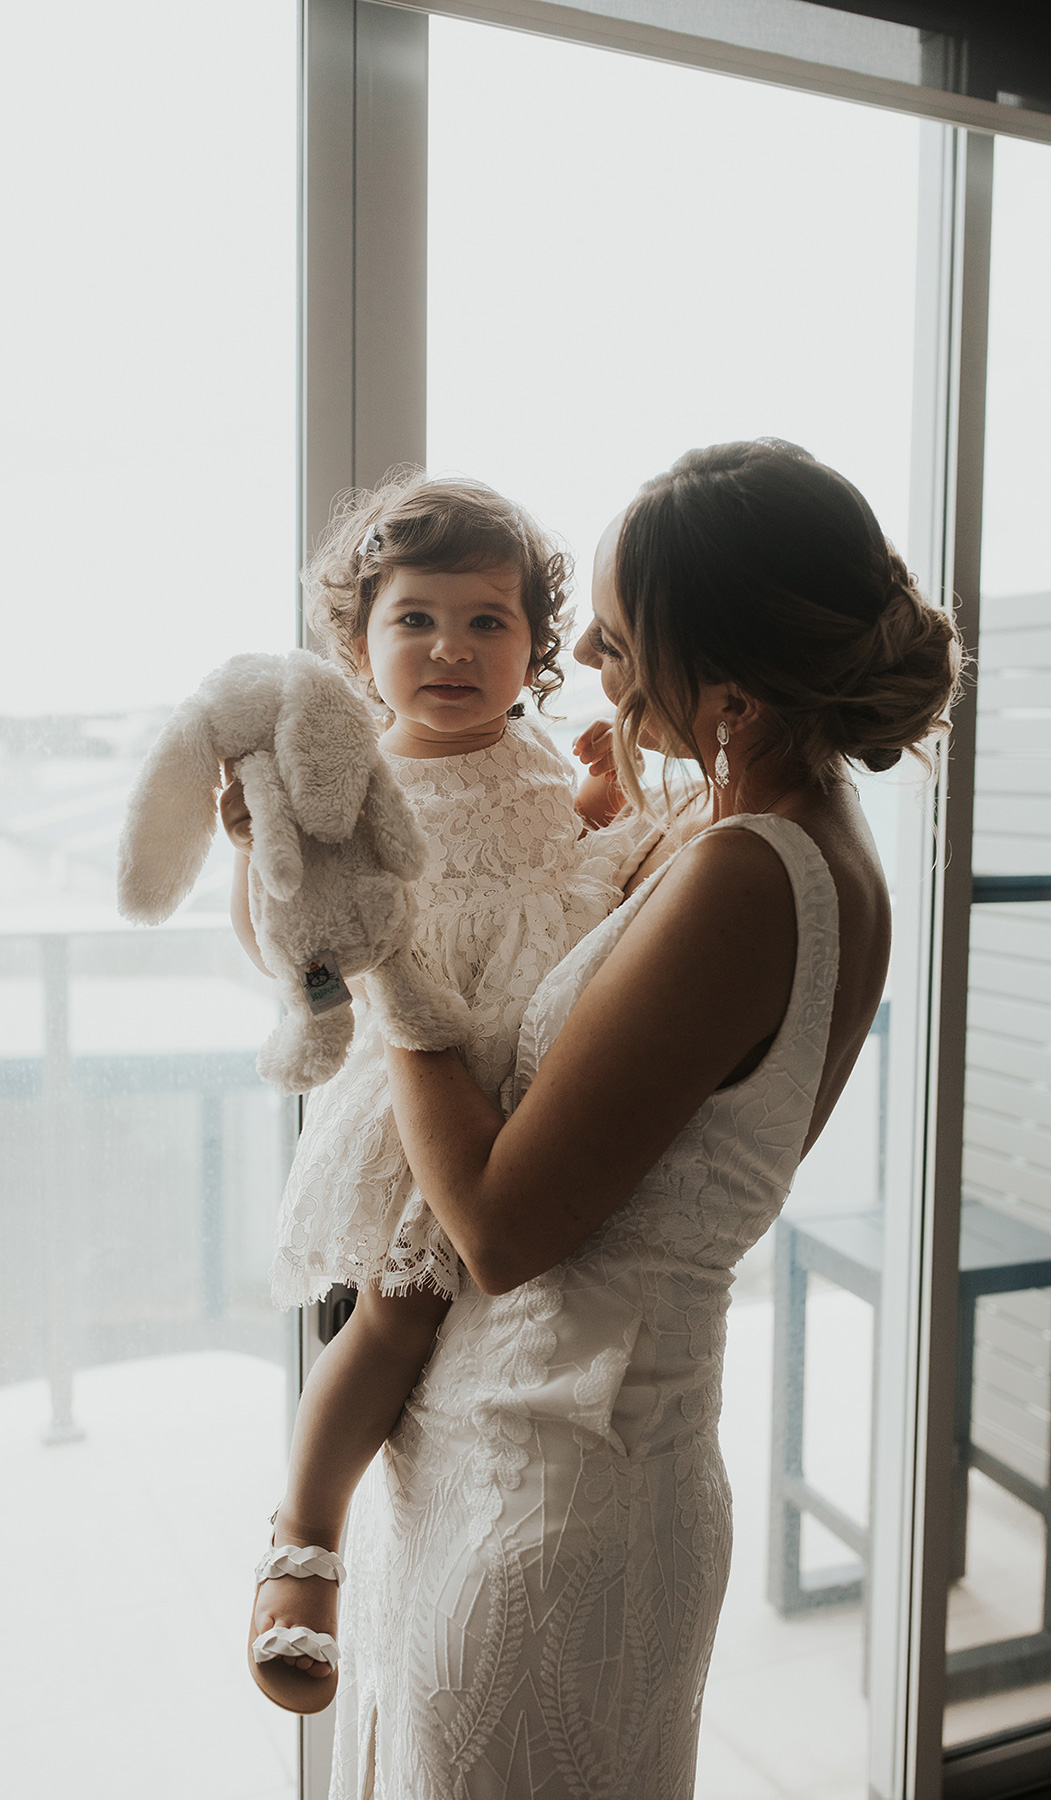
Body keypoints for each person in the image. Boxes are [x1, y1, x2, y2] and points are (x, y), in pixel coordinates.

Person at [327, 438, 962, 1797]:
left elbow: (497, 1229)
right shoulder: (793, 847)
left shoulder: (745, 879)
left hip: (551, 1489)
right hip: (581, 1455)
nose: (597, 675)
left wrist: (384, 958)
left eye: (618, 648)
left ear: (723, 671)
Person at [222, 472, 644, 1712]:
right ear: (359, 644)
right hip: (421, 1098)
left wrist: (601, 808)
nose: (451, 649)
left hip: (532, 1082)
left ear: (534, 651)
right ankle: (303, 1542)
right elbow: (293, 942)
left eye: (487, 621)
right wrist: (257, 856)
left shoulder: (532, 761)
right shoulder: (352, 785)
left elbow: (559, 879)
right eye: (416, 620)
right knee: (394, 1319)